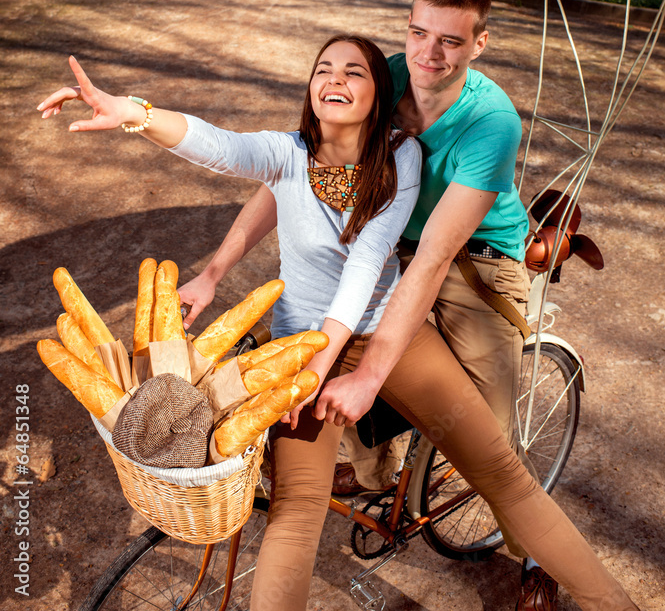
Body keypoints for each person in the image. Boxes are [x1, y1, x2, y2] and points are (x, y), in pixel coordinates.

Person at [38, 38, 640, 611]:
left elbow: (364, 268)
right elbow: (215, 143)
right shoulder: (287, 154)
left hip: (385, 339)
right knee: (296, 511)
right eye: (325, 68)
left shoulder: (401, 158)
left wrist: (319, 367)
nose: (335, 79)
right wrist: (132, 112)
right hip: (297, 351)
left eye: (354, 72)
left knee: (503, 473)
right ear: (311, 89)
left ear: (377, 94)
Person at [177, 0, 550, 609]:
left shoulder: (489, 122)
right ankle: (379, 477)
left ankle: (532, 556)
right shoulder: (385, 74)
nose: (429, 55)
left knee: (489, 429)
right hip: (398, 243)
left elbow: (435, 259)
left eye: (451, 43)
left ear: (479, 44)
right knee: (346, 367)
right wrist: (213, 270)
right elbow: (289, 173)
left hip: (475, 256)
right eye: (417, 34)